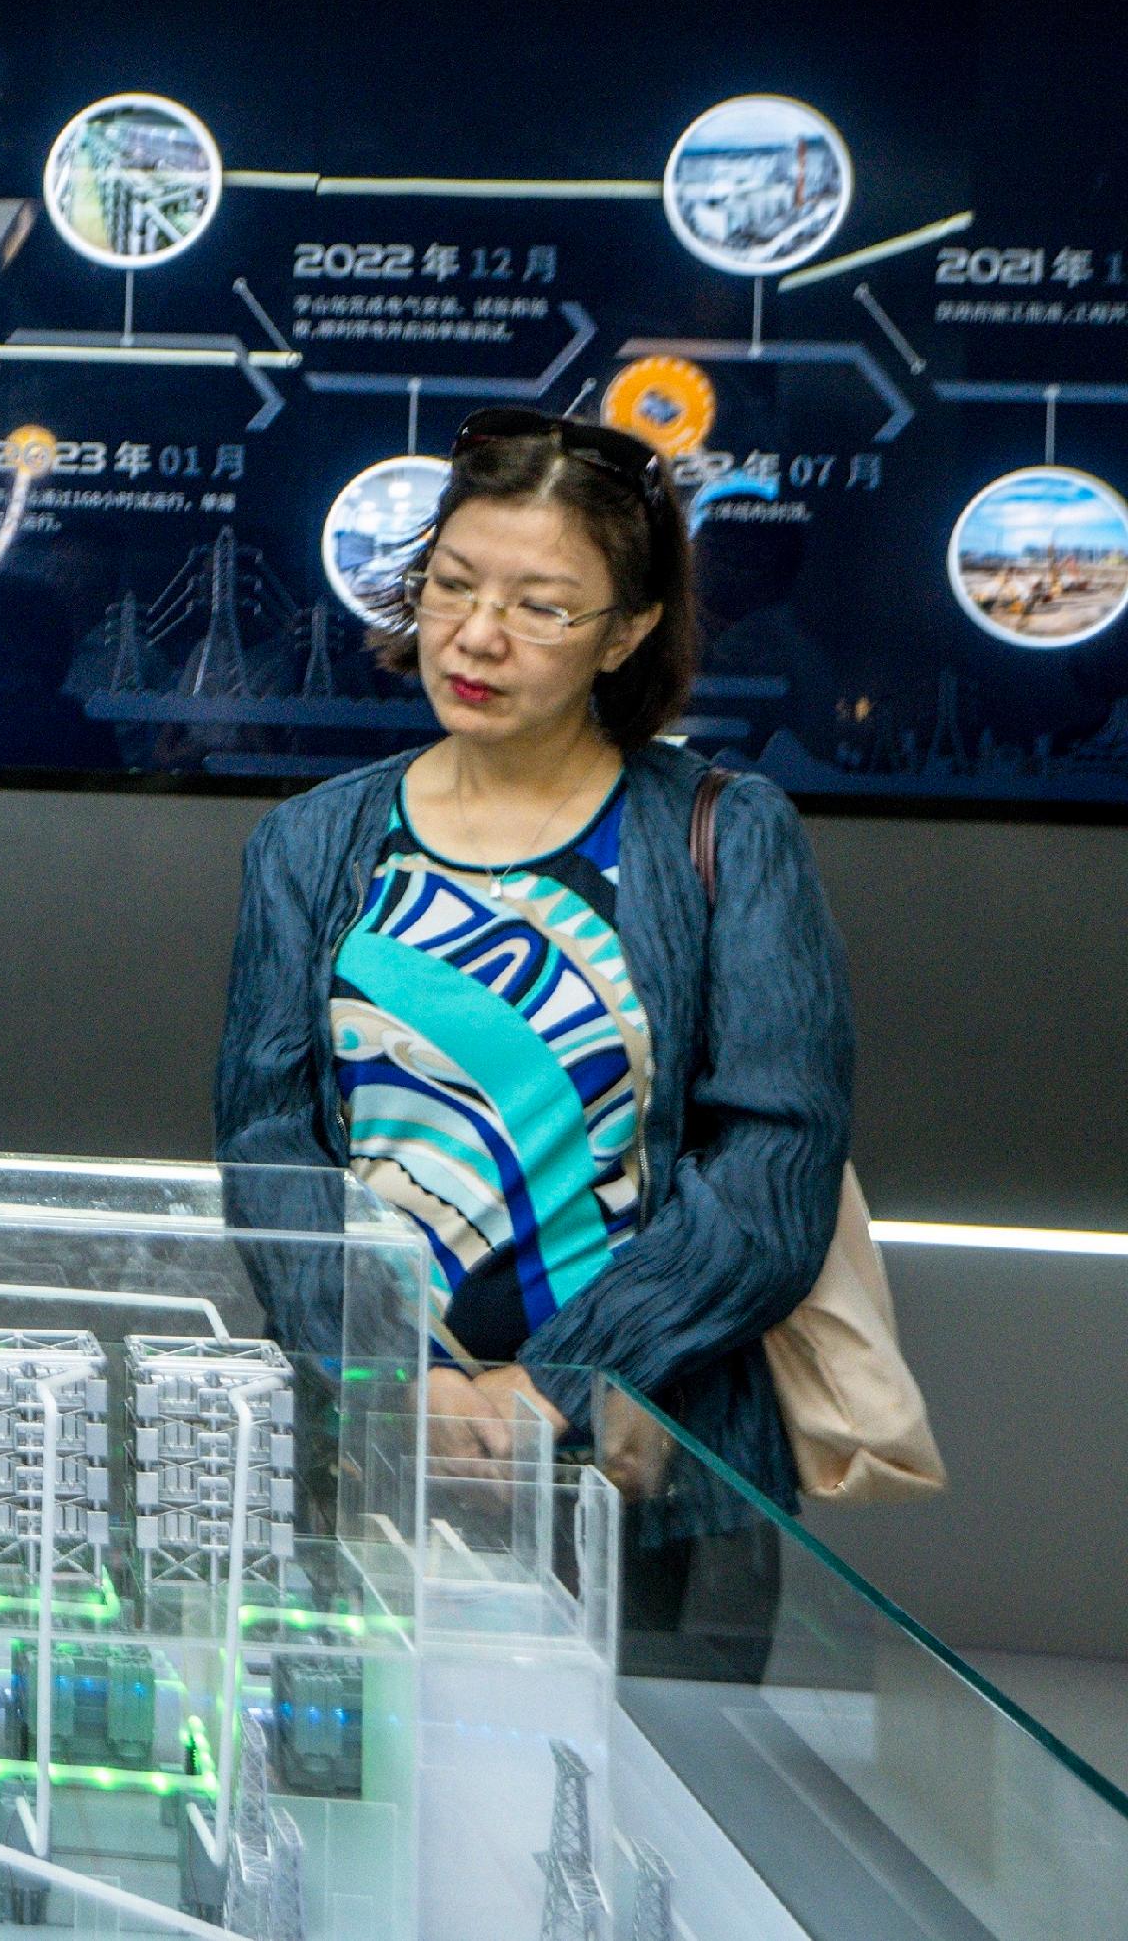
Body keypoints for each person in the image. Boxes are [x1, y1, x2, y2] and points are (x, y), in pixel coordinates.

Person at [215, 406, 852, 1681]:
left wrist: (551, 1387)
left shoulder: (725, 833)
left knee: (641, 1840)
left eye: (542, 605)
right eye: (452, 583)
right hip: (377, 1453)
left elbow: (772, 1168)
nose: (479, 633)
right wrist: (394, 1380)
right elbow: (270, 1138)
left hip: (642, 1467)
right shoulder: (315, 841)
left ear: (627, 630)